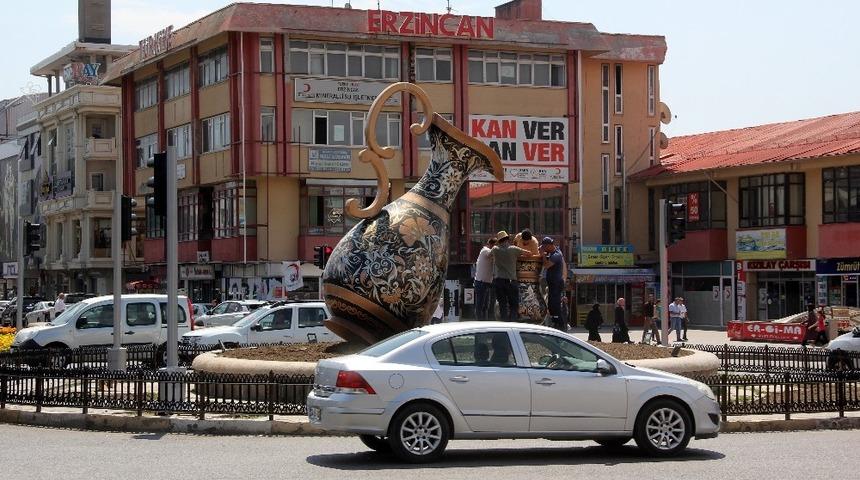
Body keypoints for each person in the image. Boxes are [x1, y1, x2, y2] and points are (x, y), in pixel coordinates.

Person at [489, 230, 530, 321]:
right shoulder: (513, 249)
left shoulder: (495, 249)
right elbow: (528, 253)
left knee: (502, 304)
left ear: (499, 240)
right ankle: (513, 322)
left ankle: (504, 323)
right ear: (507, 239)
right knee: (513, 305)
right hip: (511, 281)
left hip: (499, 281)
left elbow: (489, 255)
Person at [539, 237, 565, 331]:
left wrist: (542, 255)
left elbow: (546, 265)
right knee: (551, 305)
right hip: (552, 283)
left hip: (556, 283)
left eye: (544, 246)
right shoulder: (552, 252)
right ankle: (555, 321)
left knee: (555, 305)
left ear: (549, 245)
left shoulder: (556, 255)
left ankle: (560, 324)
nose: (543, 248)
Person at [473, 237, 496, 320]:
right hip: (481, 282)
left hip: (486, 283)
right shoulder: (485, 250)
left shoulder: (490, 252)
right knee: (480, 305)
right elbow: (490, 254)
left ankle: (483, 321)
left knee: (485, 305)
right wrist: (497, 248)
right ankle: (479, 321)